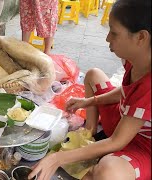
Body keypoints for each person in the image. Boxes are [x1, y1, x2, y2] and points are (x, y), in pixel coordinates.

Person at [29, 0, 151, 179]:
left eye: (114, 33)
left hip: (141, 147)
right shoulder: (133, 59)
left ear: (141, 37)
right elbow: (126, 93)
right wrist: (89, 101)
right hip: (123, 121)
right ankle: (90, 131)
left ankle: (100, 161)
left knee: (108, 171)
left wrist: (57, 158)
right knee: (93, 75)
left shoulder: (149, 86)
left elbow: (118, 141)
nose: (107, 38)